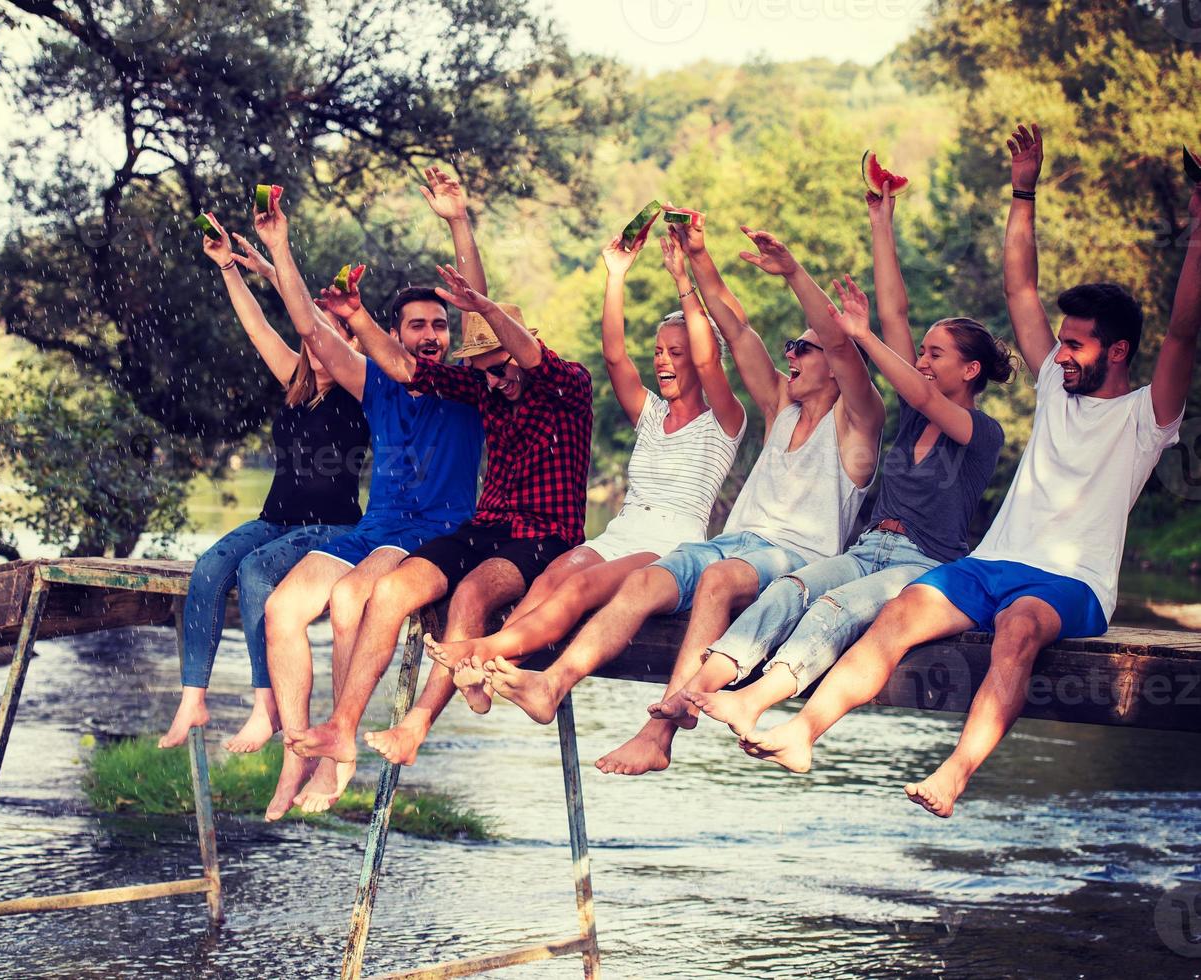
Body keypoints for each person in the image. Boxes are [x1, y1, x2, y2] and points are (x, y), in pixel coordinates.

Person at [741, 123, 1197, 818]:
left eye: (1075, 345)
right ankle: (803, 730)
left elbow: (1184, 331)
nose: (1060, 353)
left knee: (1016, 627)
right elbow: (1020, 287)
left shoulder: (1146, 415)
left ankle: (953, 773)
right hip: (989, 563)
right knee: (897, 613)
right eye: (1061, 342)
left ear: (1116, 351)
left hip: (1070, 583)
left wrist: (1196, 230)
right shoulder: (1051, 385)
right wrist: (1022, 189)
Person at [484, 219, 884, 779]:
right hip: (732, 544)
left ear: (837, 369)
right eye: (789, 347)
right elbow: (738, 333)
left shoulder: (857, 422)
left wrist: (794, 272)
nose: (789, 354)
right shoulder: (780, 407)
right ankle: (551, 684)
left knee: (717, 583)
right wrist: (694, 260)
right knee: (644, 581)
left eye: (802, 348)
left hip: (797, 559)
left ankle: (659, 733)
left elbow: (840, 344)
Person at [688, 183, 1011, 737]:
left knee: (835, 608)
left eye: (935, 355)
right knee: (790, 590)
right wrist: (881, 221)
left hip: (924, 565)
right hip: (868, 549)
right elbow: (894, 309)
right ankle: (697, 688)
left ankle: (756, 701)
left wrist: (862, 334)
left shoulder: (981, 431)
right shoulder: (913, 416)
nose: (923, 361)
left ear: (971, 371)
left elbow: (918, 386)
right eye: (922, 352)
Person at [284, 262, 594, 769]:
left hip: (544, 536)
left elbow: (534, 359)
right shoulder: (482, 387)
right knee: (388, 592)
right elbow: (406, 369)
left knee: (470, 593)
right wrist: (357, 316)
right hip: (485, 526)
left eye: (500, 367)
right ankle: (341, 728)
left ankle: (417, 724)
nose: (493, 381)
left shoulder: (568, 386)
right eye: (483, 370)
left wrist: (486, 308)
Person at [424, 224, 746, 707]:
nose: (663, 360)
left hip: (671, 542)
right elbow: (615, 356)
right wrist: (615, 276)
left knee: (583, 588)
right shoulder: (652, 414)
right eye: (658, 351)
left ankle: (480, 654)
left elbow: (709, 356)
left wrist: (683, 279)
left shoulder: (724, 419)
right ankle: (496, 672)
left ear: (699, 361)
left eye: (675, 353)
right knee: (557, 574)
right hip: (623, 531)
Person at [257, 170, 486, 819]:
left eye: (438, 325)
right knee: (281, 610)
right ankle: (296, 754)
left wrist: (457, 222)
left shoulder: (465, 383)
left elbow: (476, 304)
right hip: (376, 525)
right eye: (415, 326)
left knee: (351, 596)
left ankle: (340, 745)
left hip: (433, 529)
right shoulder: (376, 384)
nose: (429, 335)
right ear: (394, 334)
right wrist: (278, 245)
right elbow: (312, 330)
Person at [159, 215, 367, 753]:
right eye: (313, 334)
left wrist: (276, 268)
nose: (319, 342)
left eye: (331, 334)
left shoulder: (360, 390)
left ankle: (265, 705)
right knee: (207, 570)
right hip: (276, 520)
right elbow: (258, 327)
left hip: (331, 527)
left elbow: (313, 316)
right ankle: (192, 698)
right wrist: (229, 267)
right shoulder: (294, 380)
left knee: (255, 572)